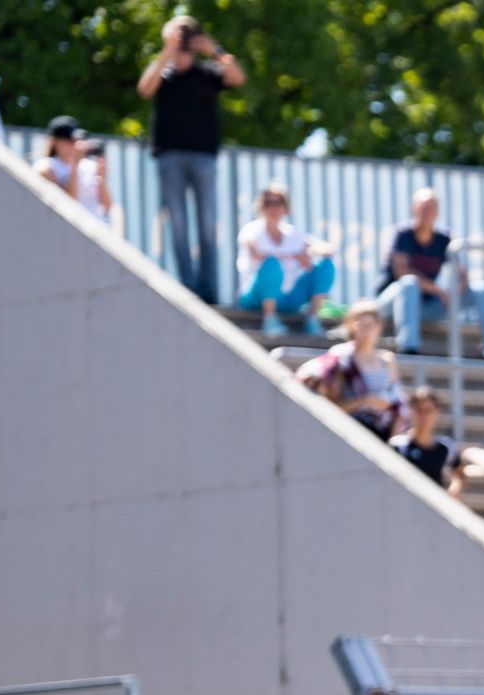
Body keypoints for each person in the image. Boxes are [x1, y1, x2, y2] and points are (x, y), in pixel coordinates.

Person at [137, 16, 243, 301]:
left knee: (207, 224)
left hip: (203, 156)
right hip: (169, 156)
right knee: (178, 225)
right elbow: (144, 89)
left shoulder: (207, 72)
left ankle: (208, 288)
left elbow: (237, 78)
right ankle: (188, 286)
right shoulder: (163, 74)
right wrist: (167, 52)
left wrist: (214, 50)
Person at [375, 188, 484, 360]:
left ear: (438, 212)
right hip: (391, 305)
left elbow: (460, 273)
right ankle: (408, 347)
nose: (427, 212)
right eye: (424, 207)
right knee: (409, 283)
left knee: (481, 289)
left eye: (432, 207)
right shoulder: (402, 233)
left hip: (424, 308)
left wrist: (458, 289)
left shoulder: (443, 238)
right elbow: (401, 271)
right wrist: (438, 290)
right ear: (413, 209)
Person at [235, 183, 335, 338]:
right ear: (261, 207)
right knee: (271, 264)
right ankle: (270, 319)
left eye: (277, 203)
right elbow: (258, 254)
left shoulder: (292, 233)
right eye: (267, 203)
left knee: (325, 265)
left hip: (286, 298)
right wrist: (295, 255)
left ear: (285, 207)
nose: (272, 208)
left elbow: (328, 249)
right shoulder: (252, 229)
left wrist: (308, 254)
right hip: (254, 298)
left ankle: (313, 319)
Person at [324, 300, 403, 439]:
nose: (365, 331)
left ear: (379, 327)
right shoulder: (341, 357)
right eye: (360, 325)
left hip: (383, 431)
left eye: (370, 325)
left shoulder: (387, 360)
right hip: (350, 431)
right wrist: (364, 401)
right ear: (350, 326)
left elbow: (398, 405)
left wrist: (392, 440)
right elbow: (332, 405)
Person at [389, 387, 465, 495]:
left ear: (437, 412)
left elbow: (459, 472)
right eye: (419, 410)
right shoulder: (398, 445)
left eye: (428, 411)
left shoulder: (445, 447)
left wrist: (450, 494)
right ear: (411, 411)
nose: (424, 416)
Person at [33, 117, 84, 201]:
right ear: (54, 141)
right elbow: (68, 201)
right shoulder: (45, 167)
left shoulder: (84, 165)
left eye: (75, 140)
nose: (73, 144)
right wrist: (75, 165)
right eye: (68, 140)